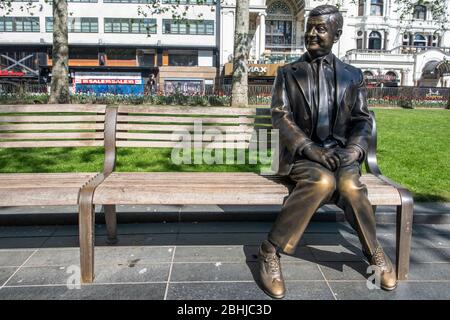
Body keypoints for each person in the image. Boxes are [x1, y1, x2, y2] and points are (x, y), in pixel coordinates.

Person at [258, 5, 397, 299]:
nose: (312, 33)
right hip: (303, 156)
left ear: (337, 34)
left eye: (320, 28)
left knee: (348, 185)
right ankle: (270, 250)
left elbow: (362, 119)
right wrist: (309, 149)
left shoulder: (353, 75)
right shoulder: (287, 73)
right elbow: (280, 116)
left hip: (341, 155)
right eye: (310, 26)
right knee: (323, 182)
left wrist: (356, 149)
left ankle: (374, 253)